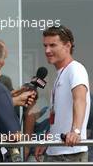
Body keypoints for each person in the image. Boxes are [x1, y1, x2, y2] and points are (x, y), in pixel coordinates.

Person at [35, 25, 90, 162]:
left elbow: (80, 100)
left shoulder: (76, 69)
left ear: (67, 46)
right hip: (55, 151)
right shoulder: (61, 73)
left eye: (52, 45)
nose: (47, 50)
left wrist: (76, 132)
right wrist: (48, 140)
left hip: (70, 153)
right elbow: (58, 116)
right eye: (45, 46)